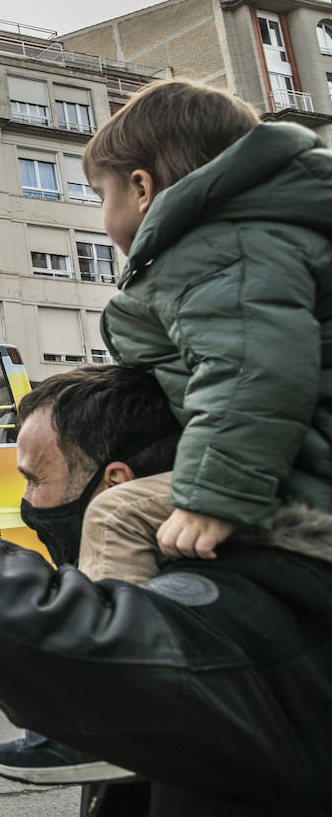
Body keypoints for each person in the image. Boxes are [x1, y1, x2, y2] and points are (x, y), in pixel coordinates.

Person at [0, 367, 332, 816]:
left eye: (33, 479)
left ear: (115, 484)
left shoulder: (242, 606)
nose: (26, 500)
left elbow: (27, 623)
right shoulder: (196, 571)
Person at [79, 78, 332, 579]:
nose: (101, 217)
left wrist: (213, 497)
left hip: (307, 480)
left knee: (116, 515)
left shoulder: (216, 248)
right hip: (291, 454)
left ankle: (126, 650)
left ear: (141, 188)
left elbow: (254, 367)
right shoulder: (266, 230)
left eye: (100, 195)